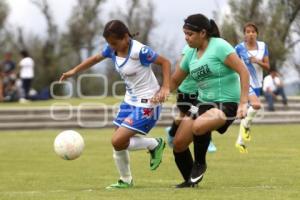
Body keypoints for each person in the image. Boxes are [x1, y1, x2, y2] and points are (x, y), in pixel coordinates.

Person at [60, 19, 171, 189]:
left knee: (117, 140)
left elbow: (165, 62)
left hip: (148, 102)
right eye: (109, 43)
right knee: (119, 141)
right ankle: (125, 180)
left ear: (125, 37)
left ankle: (154, 144)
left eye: (114, 42)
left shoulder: (139, 51)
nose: (111, 46)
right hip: (129, 101)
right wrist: (74, 71)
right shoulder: (112, 50)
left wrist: (165, 88)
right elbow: (95, 59)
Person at [170, 14, 249, 188]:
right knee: (178, 144)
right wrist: (159, 93)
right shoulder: (190, 53)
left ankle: (200, 164)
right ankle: (190, 181)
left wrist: (243, 103)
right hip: (202, 102)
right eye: (185, 33)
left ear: (203, 33)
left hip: (226, 103)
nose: (186, 37)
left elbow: (243, 71)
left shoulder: (219, 46)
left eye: (190, 34)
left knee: (199, 126)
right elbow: (175, 80)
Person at [165, 45, 217, 153]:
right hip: (187, 91)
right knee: (183, 116)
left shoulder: (212, 48)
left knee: (203, 115)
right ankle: (171, 133)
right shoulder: (189, 49)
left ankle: (208, 141)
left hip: (202, 91)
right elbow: (181, 68)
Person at [234, 22, 270, 153]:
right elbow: (231, 64)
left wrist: (257, 61)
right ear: (244, 34)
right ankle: (245, 128)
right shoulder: (238, 48)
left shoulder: (263, 46)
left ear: (257, 33)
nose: (250, 34)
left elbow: (267, 66)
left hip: (257, 83)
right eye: (247, 32)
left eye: (253, 32)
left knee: (249, 111)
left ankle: (240, 142)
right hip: (244, 82)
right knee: (256, 105)